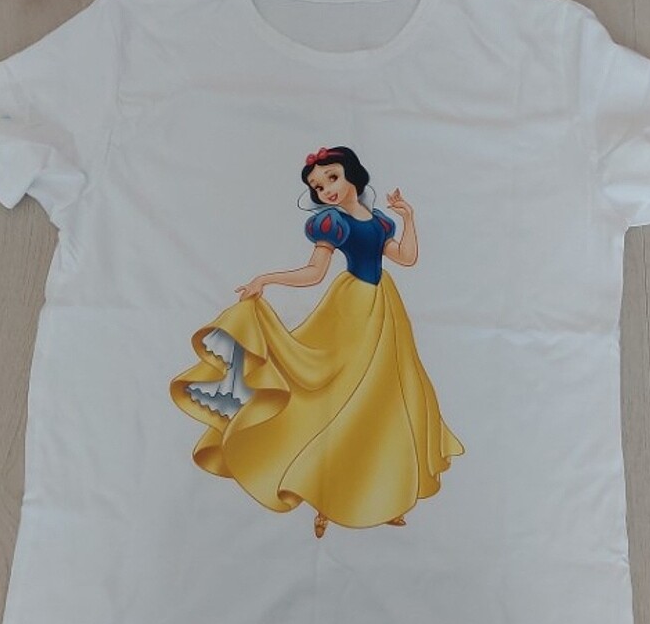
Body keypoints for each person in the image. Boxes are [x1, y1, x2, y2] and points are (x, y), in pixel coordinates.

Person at [169, 145, 464, 538]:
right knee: (336, 398)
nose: (325, 189)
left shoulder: (380, 222)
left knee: (385, 400)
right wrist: (266, 279)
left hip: (384, 311)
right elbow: (313, 272)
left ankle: (383, 495)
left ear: (352, 175)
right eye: (318, 186)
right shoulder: (332, 223)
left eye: (331, 178)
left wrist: (408, 218)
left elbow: (406, 258)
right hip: (350, 310)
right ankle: (326, 497)